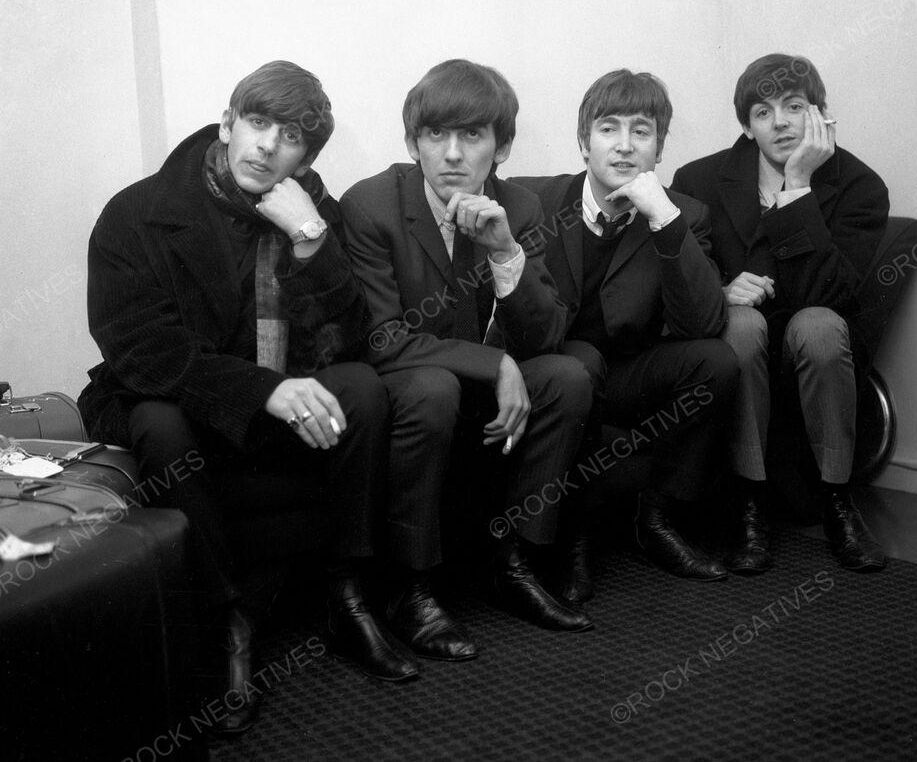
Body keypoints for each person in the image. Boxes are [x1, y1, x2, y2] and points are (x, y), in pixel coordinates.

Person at [79, 60, 417, 736]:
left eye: (289, 136)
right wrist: (265, 390)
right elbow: (144, 349)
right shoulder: (138, 211)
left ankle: (347, 589)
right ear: (228, 123)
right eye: (257, 123)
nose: (267, 145)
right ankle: (225, 617)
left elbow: (352, 339)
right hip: (183, 400)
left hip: (277, 403)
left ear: (304, 156)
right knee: (159, 420)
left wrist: (312, 239)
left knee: (362, 387)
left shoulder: (312, 208)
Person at [339, 58, 594, 665]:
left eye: (472, 136)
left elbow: (548, 334)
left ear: (501, 146)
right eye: (436, 135)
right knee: (432, 387)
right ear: (412, 142)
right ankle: (411, 586)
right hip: (410, 384)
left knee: (566, 377)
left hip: (478, 384)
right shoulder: (371, 204)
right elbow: (380, 338)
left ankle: (513, 561)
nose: (452, 154)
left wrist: (506, 253)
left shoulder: (523, 209)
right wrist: (494, 365)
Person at [511, 69, 740, 597]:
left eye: (641, 131)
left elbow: (704, 324)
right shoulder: (534, 203)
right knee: (582, 359)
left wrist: (663, 216)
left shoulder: (685, 214)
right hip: (558, 368)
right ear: (583, 142)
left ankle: (656, 519)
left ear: (659, 147)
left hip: (629, 374)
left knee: (715, 360)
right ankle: (573, 536)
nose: (623, 146)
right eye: (608, 129)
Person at [671, 53, 889, 574]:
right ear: (747, 125)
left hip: (818, 335)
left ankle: (837, 501)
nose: (782, 122)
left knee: (816, 323)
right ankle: (750, 505)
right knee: (743, 323)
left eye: (795, 106)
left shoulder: (861, 186)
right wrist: (721, 290)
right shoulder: (697, 180)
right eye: (764, 112)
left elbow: (831, 294)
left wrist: (797, 190)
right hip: (740, 339)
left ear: (819, 114)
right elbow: (683, 280)